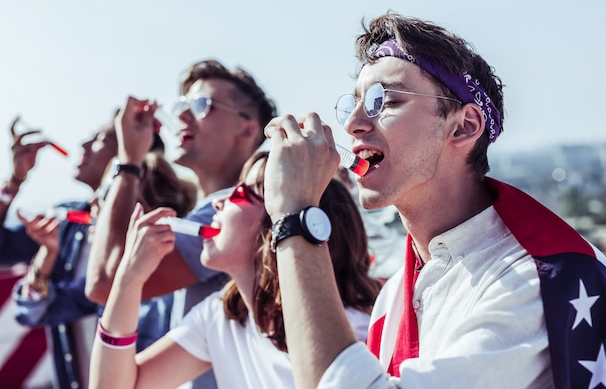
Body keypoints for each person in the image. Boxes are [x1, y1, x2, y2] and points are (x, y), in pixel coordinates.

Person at [261, 13, 606, 389]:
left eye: (381, 100)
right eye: (354, 103)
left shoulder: (535, 281)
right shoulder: (395, 294)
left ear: (464, 126)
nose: (353, 123)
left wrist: (297, 216)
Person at [88, 151, 380, 389]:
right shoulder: (222, 317)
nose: (218, 201)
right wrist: (128, 279)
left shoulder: (349, 333)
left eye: (241, 192)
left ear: (276, 219)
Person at [85, 59, 277, 389]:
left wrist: (128, 162)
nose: (183, 116)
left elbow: (104, 284)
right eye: (182, 106)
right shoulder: (211, 212)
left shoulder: (233, 211)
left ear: (247, 128)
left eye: (202, 105)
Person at [2, 117, 118, 389]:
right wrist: (13, 183)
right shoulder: (68, 219)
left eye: (99, 139)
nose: (84, 144)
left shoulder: (153, 224)